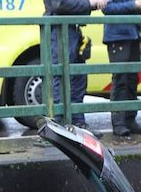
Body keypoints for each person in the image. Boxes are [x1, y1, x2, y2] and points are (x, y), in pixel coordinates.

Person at [44, 0, 109, 129]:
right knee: (61, 75)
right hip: (60, 29)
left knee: (78, 78)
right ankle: (60, 126)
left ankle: (78, 124)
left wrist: (94, 4)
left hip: (71, 28)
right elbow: (60, 4)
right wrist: (90, 3)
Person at [102, 0, 141, 137]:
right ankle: (119, 123)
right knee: (120, 79)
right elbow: (107, 8)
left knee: (132, 79)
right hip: (117, 36)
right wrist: (134, 5)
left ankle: (130, 119)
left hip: (134, 33)